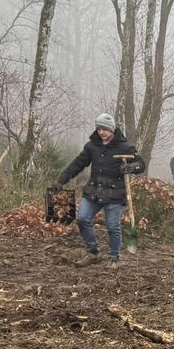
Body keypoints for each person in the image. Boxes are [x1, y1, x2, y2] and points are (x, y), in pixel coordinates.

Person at [49, 113, 144, 269]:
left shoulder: (125, 147)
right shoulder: (92, 146)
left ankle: (114, 258)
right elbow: (77, 164)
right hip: (94, 191)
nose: (101, 132)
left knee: (112, 226)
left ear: (112, 129)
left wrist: (132, 167)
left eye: (104, 129)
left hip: (115, 193)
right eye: (99, 129)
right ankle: (93, 253)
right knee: (82, 219)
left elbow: (141, 163)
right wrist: (61, 181)